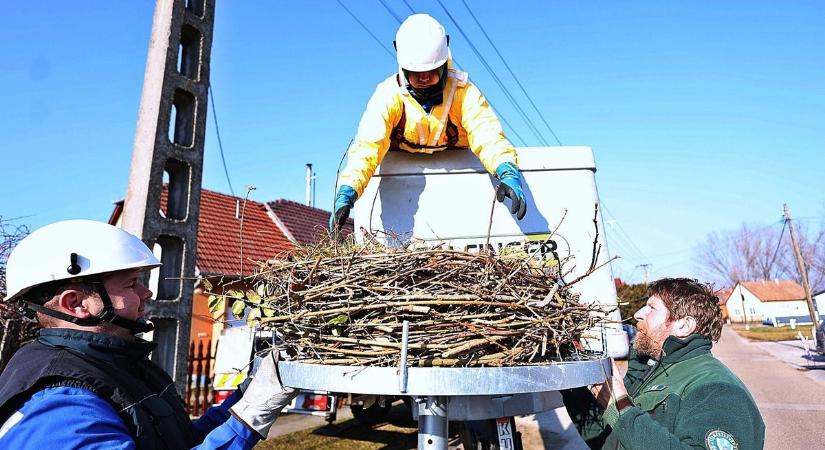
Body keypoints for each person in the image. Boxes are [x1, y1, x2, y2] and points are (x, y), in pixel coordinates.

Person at [0, 219, 297, 449]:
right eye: (131, 285)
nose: (147, 292)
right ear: (76, 304)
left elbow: (178, 442)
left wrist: (248, 397)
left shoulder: (114, 365)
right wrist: (248, 420)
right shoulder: (60, 405)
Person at [330, 13, 527, 233]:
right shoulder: (388, 96)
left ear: (444, 65)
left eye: (431, 73)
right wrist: (347, 192)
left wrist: (507, 172)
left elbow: (487, 135)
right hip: (400, 190)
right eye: (416, 75)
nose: (424, 81)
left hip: (458, 186)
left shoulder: (463, 94)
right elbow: (368, 146)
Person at [567, 278, 765, 450]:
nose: (637, 314)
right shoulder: (654, 370)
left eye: (651, 308)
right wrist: (570, 373)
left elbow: (627, 420)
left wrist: (620, 404)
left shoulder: (717, 389)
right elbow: (613, 438)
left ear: (684, 325)